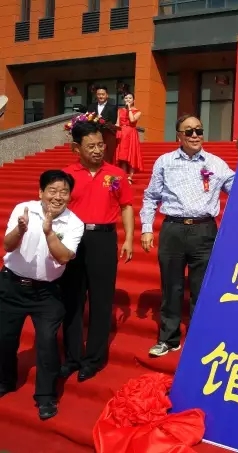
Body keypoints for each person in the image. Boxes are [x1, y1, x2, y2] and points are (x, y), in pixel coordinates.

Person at [140, 114, 235, 357]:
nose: (195, 135)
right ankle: (168, 339)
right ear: (179, 136)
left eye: (199, 130)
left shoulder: (216, 163)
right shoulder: (165, 161)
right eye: (189, 131)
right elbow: (151, 197)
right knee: (171, 286)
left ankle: (197, 338)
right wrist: (147, 227)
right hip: (173, 229)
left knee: (201, 287)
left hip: (204, 231)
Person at [0, 170, 84, 420]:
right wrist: (20, 229)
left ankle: (46, 396)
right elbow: (7, 245)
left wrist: (49, 232)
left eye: (64, 192)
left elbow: (64, 257)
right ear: (41, 192)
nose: (58, 197)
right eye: (52, 191)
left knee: (47, 342)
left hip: (47, 293)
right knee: (4, 338)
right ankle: (5, 381)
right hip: (12, 286)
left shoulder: (74, 223)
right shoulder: (23, 209)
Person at [59, 120, 134, 382]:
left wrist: (129, 239)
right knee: (72, 299)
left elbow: (126, 206)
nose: (97, 150)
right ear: (76, 148)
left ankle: (93, 359)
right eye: (90, 146)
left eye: (100, 145)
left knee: (102, 301)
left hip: (103, 239)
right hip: (73, 240)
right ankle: (72, 357)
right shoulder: (66, 175)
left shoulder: (116, 174)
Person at [115, 92, 143, 184]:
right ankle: (124, 176)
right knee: (122, 156)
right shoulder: (120, 110)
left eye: (130, 98)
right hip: (122, 133)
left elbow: (132, 120)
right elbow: (118, 123)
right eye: (126, 98)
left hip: (131, 134)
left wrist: (129, 109)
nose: (128, 100)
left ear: (133, 100)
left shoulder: (138, 111)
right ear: (124, 99)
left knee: (131, 155)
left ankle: (130, 177)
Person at [86, 85, 118, 164]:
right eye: (99, 94)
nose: (101, 96)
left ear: (107, 95)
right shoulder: (91, 106)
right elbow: (88, 119)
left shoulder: (112, 107)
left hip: (107, 135)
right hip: (94, 135)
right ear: (96, 95)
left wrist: (102, 122)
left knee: (107, 156)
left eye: (103, 94)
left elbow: (113, 122)